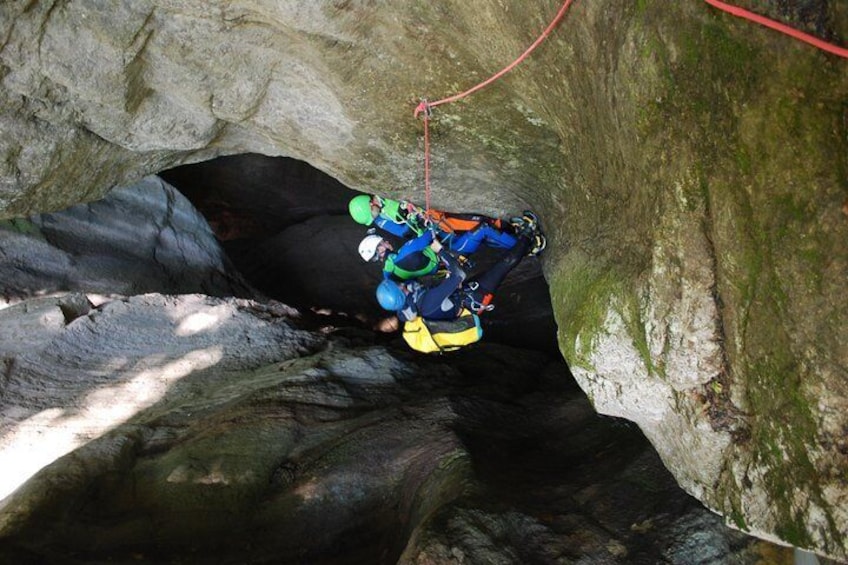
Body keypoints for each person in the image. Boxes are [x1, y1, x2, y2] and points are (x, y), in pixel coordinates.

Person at [374, 216, 543, 322]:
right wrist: (440, 251)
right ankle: (529, 239)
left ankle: (523, 241)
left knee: (498, 265)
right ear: (400, 294)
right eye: (400, 286)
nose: (404, 284)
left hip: (463, 297)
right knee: (502, 266)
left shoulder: (412, 304)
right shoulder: (426, 303)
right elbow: (459, 275)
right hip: (474, 298)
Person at [348, 194, 532, 253]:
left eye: (372, 212)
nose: (375, 216)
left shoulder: (382, 199)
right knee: (479, 226)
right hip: (437, 227)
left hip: (435, 220)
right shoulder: (380, 220)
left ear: (371, 202)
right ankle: (527, 245)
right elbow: (404, 232)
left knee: (480, 224)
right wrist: (412, 218)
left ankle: (514, 231)